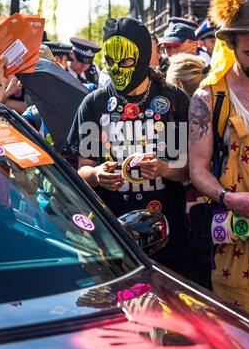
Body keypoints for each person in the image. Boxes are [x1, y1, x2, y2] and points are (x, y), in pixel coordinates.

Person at [188, 0, 249, 328]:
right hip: (239, 232)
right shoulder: (209, 98)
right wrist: (229, 198)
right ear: (229, 43)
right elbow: (197, 169)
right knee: (244, 333)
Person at [67, 17, 192, 277]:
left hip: (170, 237)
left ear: (144, 56)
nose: (117, 70)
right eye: (110, 62)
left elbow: (189, 170)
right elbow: (83, 170)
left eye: (124, 62)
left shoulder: (173, 100)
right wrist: (98, 174)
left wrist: (163, 168)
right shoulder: (94, 105)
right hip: (114, 238)